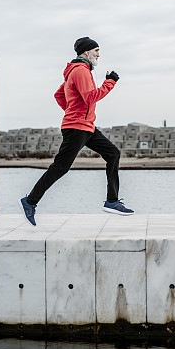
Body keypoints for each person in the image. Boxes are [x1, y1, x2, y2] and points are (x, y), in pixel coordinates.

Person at [19, 37, 134, 225]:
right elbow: (90, 97)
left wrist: (73, 110)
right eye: (96, 50)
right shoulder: (80, 71)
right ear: (86, 52)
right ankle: (30, 201)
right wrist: (110, 82)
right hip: (76, 127)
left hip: (86, 126)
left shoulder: (77, 71)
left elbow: (59, 95)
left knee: (113, 153)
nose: (99, 54)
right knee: (60, 167)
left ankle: (112, 201)